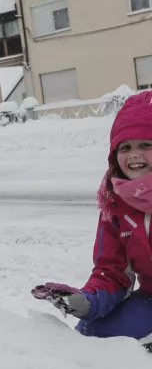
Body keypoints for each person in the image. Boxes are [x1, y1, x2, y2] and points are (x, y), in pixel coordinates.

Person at [32, 91, 152, 340]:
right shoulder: (115, 205)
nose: (134, 155)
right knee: (91, 335)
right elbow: (112, 271)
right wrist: (86, 302)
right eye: (125, 147)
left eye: (146, 145)